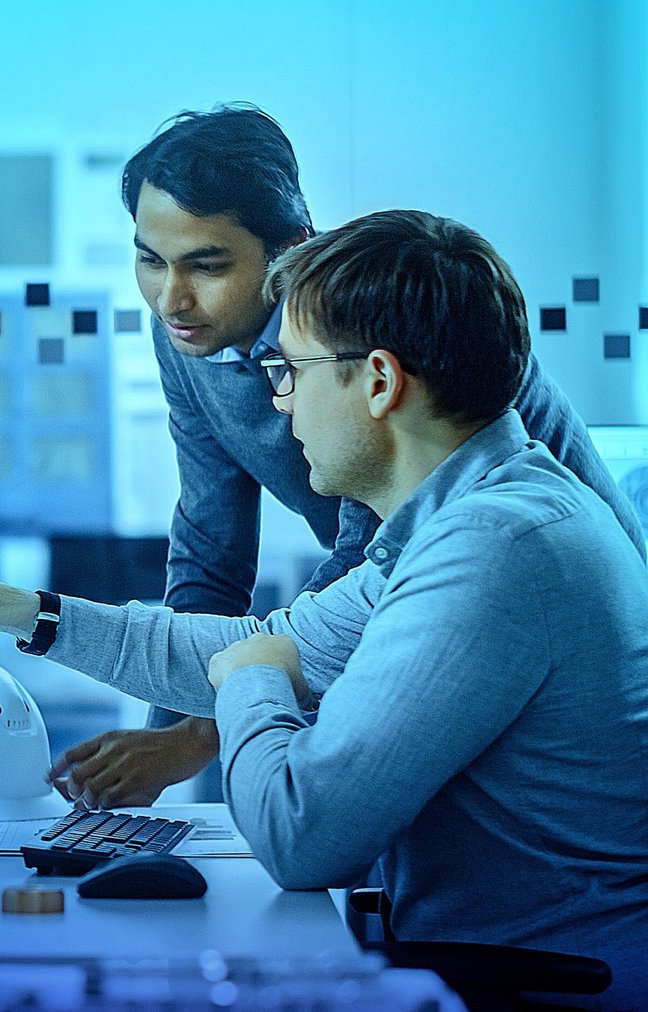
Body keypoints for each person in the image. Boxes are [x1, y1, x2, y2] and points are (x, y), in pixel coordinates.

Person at [0, 210, 648, 1005]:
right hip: (487, 965)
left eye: (290, 370)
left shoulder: (492, 549)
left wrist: (253, 682)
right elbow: (258, 641)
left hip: (537, 989)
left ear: (379, 382)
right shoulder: (466, 520)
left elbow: (303, 835)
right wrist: (14, 609)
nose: (281, 402)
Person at [46, 105, 644, 810]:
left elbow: (368, 557)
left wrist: (197, 737)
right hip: (391, 596)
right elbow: (210, 548)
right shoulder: (188, 334)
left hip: (543, 632)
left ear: (290, 249)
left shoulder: (371, 320)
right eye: (150, 259)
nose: (171, 298)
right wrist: (161, 749)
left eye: (207, 265)